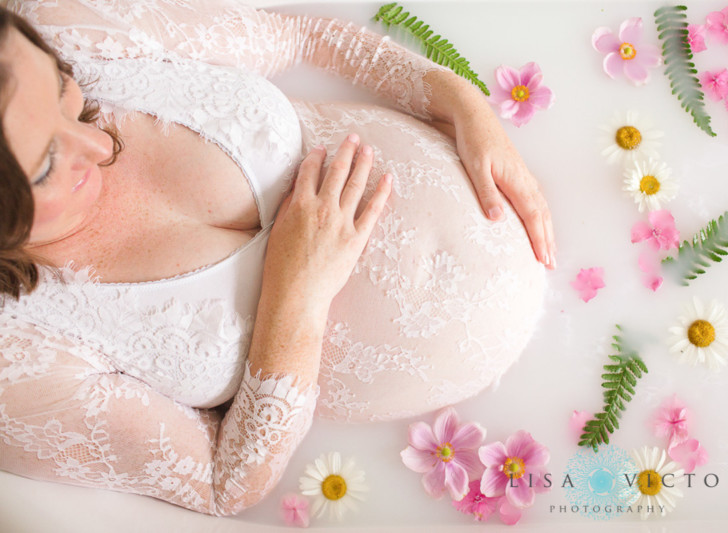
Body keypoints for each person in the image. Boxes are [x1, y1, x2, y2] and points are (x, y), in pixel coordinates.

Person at [0, 0, 553, 516]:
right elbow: (224, 484)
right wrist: (296, 299)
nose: (96, 145)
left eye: (63, 87)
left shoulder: (48, 30)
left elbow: (298, 35)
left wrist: (461, 103)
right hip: (448, 459)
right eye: (47, 166)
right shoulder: (16, 364)